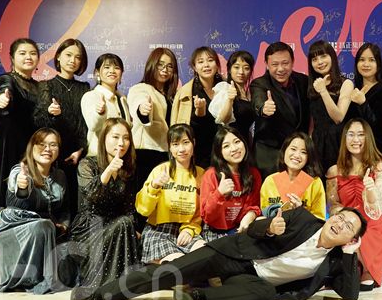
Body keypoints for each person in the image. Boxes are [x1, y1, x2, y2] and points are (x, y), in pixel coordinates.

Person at [70, 206, 367, 300]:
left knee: (266, 295)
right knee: (169, 273)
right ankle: (100, 293)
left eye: (348, 227)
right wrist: (269, 227)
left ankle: (198, 297)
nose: (339, 224)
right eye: (340, 217)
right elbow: (254, 230)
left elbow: (351, 294)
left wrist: (350, 255)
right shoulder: (303, 218)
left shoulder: (335, 260)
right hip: (232, 253)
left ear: (350, 239)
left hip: (250, 279)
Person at [0, 128, 69, 293]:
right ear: (31, 147)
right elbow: (20, 190)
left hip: (46, 231)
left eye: (53, 145)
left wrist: (64, 225)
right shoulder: (19, 171)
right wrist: (22, 185)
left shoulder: (60, 176)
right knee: (43, 226)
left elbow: (64, 209)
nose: (47, 149)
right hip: (14, 227)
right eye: (42, 144)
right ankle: (33, 277)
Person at [70, 118, 141, 289]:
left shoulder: (128, 170)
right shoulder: (87, 164)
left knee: (127, 223)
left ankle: (123, 285)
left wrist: (134, 228)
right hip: (89, 228)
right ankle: (112, 286)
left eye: (126, 138)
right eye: (115, 137)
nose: (121, 143)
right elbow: (91, 195)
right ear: (104, 139)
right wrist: (109, 170)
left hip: (116, 225)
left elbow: (128, 207)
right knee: (123, 223)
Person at [326, 119, 382, 291]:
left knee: (365, 229)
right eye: (351, 135)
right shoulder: (334, 171)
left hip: (371, 224)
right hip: (346, 222)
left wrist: (371, 190)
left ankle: (371, 267)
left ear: (368, 138)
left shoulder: (380, 167)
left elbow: (379, 207)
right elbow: (333, 204)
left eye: (361, 135)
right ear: (344, 138)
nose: (356, 140)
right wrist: (344, 216)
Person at [0, 38, 41, 215]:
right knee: (9, 196)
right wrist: (2, 99)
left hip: (31, 144)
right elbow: (3, 91)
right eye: (22, 53)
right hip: (10, 144)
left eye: (33, 53)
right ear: (12, 58)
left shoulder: (40, 87)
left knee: (30, 195)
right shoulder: (6, 79)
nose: (28, 57)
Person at [34, 38, 90, 222]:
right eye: (68, 55)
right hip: (53, 154)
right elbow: (38, 122)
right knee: (56, 203)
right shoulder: (46, 85)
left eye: (78, 57)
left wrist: (80, 150)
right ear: (58, 57)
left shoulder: (85, 88)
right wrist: (51, 113)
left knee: (78, 203)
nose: (72, 60)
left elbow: (86, 124)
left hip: (79, 154)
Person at [136, 123, 205, 264]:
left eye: (186, 142)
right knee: (178, 265)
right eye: (175, 144)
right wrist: (154, 186)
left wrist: (189, 229)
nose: (181, 149)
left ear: (193, 143)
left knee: (205, 256)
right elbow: (143, 209)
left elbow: (201, 212)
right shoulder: (160, 170)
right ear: (170, 148)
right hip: (159, 231)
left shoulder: (201, 174)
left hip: (187, 229)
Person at [351, 42, 382, 237]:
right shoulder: (353, 88)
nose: (366, 64)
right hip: (354, 152)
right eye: (362, 60)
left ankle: (381, 243)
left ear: (378, 64)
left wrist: (362, 103)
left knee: (378, 199)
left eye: (371, 60)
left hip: (377, 151)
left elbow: (375, 123)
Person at [250, 42, 310, 177]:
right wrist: (263, 109)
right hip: (270, 155)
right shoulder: (259, 83)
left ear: (293, 62)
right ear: (266, 64)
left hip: (298, 154)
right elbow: (258, 100)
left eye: (285, 63)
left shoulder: (303, 81)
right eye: (275, 64)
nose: (281, 69)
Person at [199, 126, 262, 241]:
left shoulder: (253, 174)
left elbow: (253, 205)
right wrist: (219, 193)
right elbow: (207, 216)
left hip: (239, 229)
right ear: (219, 152)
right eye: (226, 146)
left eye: (237, 142)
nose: (234, 148)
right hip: (214, 231)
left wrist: (251, 214)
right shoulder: (211, 174)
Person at [128, 47, 179, 189]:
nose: (165, 70)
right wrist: (142, 110)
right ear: (152, 65)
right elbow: (138, 101)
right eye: (160, 65)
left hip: (166, 154)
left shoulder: (172, 96)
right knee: (144, 196)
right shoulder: (142, 88)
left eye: (169, 66)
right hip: (145, 153)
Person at [307, 40, 354, 173]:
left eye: (323, 56)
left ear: (332, 57)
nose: (320, 62)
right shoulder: (312, 86)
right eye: (314, 59)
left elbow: (338, 117)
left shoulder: (346, 84)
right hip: (317, 142)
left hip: (338, 141)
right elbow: (312, 120)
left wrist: (323, 91)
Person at [171, 46, 222, 168]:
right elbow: (178, 127)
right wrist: (199, 113)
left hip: (223, 151)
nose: (206, 65)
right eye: (200, 62)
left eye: (210, 60)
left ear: (217, 64)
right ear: (194, 67)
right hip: (196, 154)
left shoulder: (225, 87)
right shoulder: (185, 92)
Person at [260, 132, 326, 220]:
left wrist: (300, 212)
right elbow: (264, 215)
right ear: (284, 151)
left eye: (303, 152)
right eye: (293, 149)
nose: (297, 155)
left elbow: (319, 220)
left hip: (302, 227)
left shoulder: (315, 183)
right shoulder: (270, 180)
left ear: (309, 157)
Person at [81, 53, 131, 157]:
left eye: (117, 68)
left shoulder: (122, 99)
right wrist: (100, 112)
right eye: (107, 67)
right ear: (97, 72)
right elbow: (93, 125)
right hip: (98, 157)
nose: (112, 71)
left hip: (121, 157)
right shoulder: (91, 96)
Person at [208, 50, 256, 143]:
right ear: (229, 69)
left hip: (245, 143)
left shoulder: (250, 93)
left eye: (246, 68)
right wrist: (230, 100)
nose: (241, 72)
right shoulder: (224, 88)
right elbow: (223, 120)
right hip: (229, 143)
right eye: (236, 67)